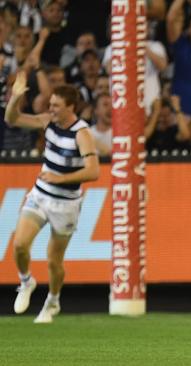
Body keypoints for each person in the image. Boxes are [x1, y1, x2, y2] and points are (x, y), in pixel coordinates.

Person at [5, 72, 99, 323]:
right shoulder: (47, 122)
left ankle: (53, 301)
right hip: (40, 195)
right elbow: (12, 119)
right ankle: (26, 282)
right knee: (19, 245)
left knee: (54, 260)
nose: (51, 109)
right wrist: (15, 97)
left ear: (71, 107)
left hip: (66, 204)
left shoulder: (82, 133)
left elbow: (93, 171)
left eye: (56, 106)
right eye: (51, 104)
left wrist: (60, 178)